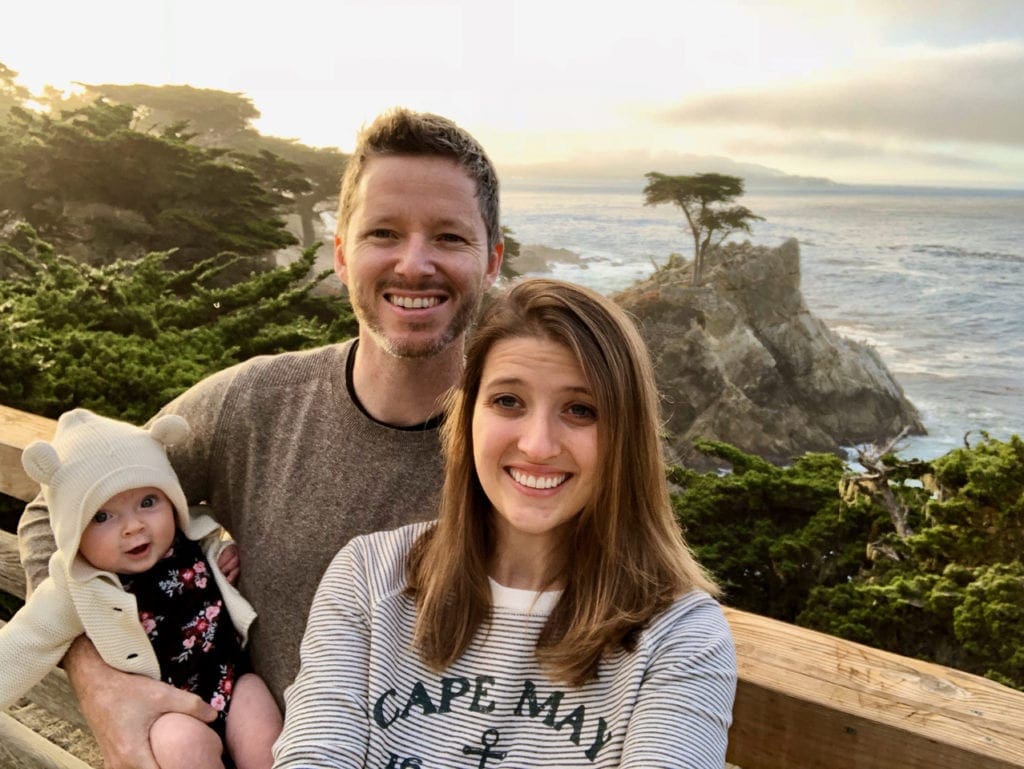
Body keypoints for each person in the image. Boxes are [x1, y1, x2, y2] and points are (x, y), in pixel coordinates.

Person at [18, 107, 504, 769]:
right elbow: (53, 507)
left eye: (448, 237)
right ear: (340, 252)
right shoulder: (253, 403)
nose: (413, 263)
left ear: (493, 259)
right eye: (383, 232)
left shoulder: (527, 453)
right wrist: (100, 679)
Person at [273, 279, 737, 769]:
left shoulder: (680, 636)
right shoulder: (369, 578)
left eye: (581, 410)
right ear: (468, 415)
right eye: (508, 401)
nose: (537, 445)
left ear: (627, 437)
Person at [4, 409, 282, 769]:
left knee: (265, 734)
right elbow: (24, 642)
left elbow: (211, 533)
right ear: (72, 530)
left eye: (148, 503)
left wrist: (224, 551)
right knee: (183, 745)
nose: (133, 526)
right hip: (161, 710)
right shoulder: (78, 587)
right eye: (102, 516)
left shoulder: (190, 536)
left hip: (230, 679)